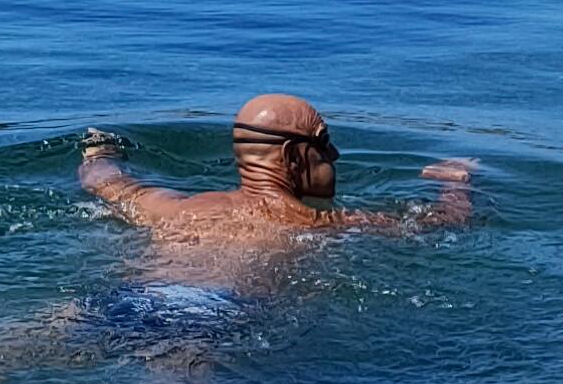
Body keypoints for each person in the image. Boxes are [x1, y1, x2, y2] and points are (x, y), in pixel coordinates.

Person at [79, 96, 473, 261]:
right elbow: (442, 225)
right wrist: (454, 183)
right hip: (207, 313)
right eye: (325, 145)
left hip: (126, 299)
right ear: (293, 156)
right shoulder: (318, 223)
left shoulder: (173, 208)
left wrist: (102, 150)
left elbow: (104, 179)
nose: (334, 157)